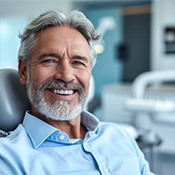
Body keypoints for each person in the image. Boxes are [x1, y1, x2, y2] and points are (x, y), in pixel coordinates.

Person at [0, 10, 155, 175]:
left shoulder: (119, 136)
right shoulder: (9, 159)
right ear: (24, 71)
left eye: (78, 62)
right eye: (50, 60)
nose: (66, 75)